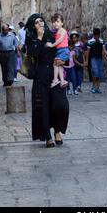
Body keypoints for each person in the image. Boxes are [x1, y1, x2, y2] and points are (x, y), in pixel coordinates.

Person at [25, 13, 69, 148]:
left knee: (60, 104)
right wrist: (39, 38)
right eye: (37, 22)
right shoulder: (31, 39)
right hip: (41, 77)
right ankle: (49, 136)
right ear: (33, 26)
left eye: (41, 21)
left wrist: (65, 61)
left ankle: (57, 130)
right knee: (44, 107)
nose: (40, 24)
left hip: (54, 74)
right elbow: (34, 53)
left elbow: (62, 50)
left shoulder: (52, 35)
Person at [46, 13, 69, 88]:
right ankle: (62, 80)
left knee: (55, 64)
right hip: (59, 50)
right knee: (59, 65)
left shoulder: (63, 30)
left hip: (64, 50)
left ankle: (55, 79)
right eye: (54, 22)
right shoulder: (56, 32)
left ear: (62, 23)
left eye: (57, 21)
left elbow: (60, 40)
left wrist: (52, 45)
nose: (55, 23)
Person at [87, 28, 105, 94]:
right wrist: (86, 61)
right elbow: (88, 52)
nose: (97, 37)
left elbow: (103, 50)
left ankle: (98, 87)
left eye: (98, 35)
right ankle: (94, 86)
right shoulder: (90, 41)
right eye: (96, 35)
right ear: (94, 35)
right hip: (93, 58)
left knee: (99, 73)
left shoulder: (101, 41)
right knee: (95, 72)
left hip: (99, 58)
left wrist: (106, 56)